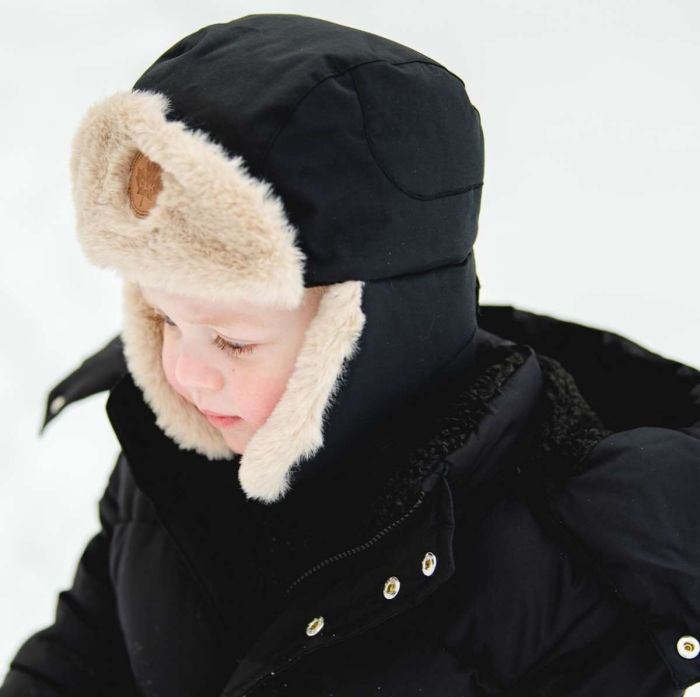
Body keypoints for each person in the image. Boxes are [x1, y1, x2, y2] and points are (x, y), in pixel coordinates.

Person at [2, 13, 699, 697]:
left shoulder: (571, 576)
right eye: (161, 318)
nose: (182, 371)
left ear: (372, 334)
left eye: (234, 341)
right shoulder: (172, 452)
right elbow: (82, 658)